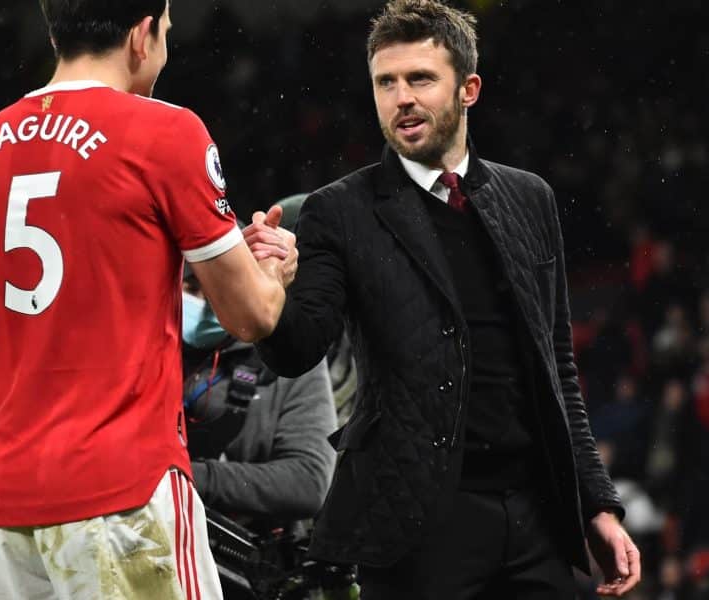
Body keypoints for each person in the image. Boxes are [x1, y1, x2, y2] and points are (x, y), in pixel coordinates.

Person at [0, 1, 296, 599]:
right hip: (125, 498)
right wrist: (273, 269)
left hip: (4, 516)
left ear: (58, 32)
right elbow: (251, 315)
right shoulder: (166, 132)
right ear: (142, 35)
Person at [250, 0, 641, 598]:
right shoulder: (339, 211)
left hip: (536, 520)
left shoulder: (529, 198)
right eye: (386, 82)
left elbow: (558, 372)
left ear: (469, 89)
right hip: (415, 530)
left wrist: (599, 505)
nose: (401, 97)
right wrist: (272, 290)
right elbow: (298, 350)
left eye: (420, 79)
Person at [180, 266, 337, 598]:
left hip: (249, 572)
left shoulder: (289, 361)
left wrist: (188, 478)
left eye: (213, 289)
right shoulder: (141, 351)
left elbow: (309, 481)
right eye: (189, 288)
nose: (202, 302)